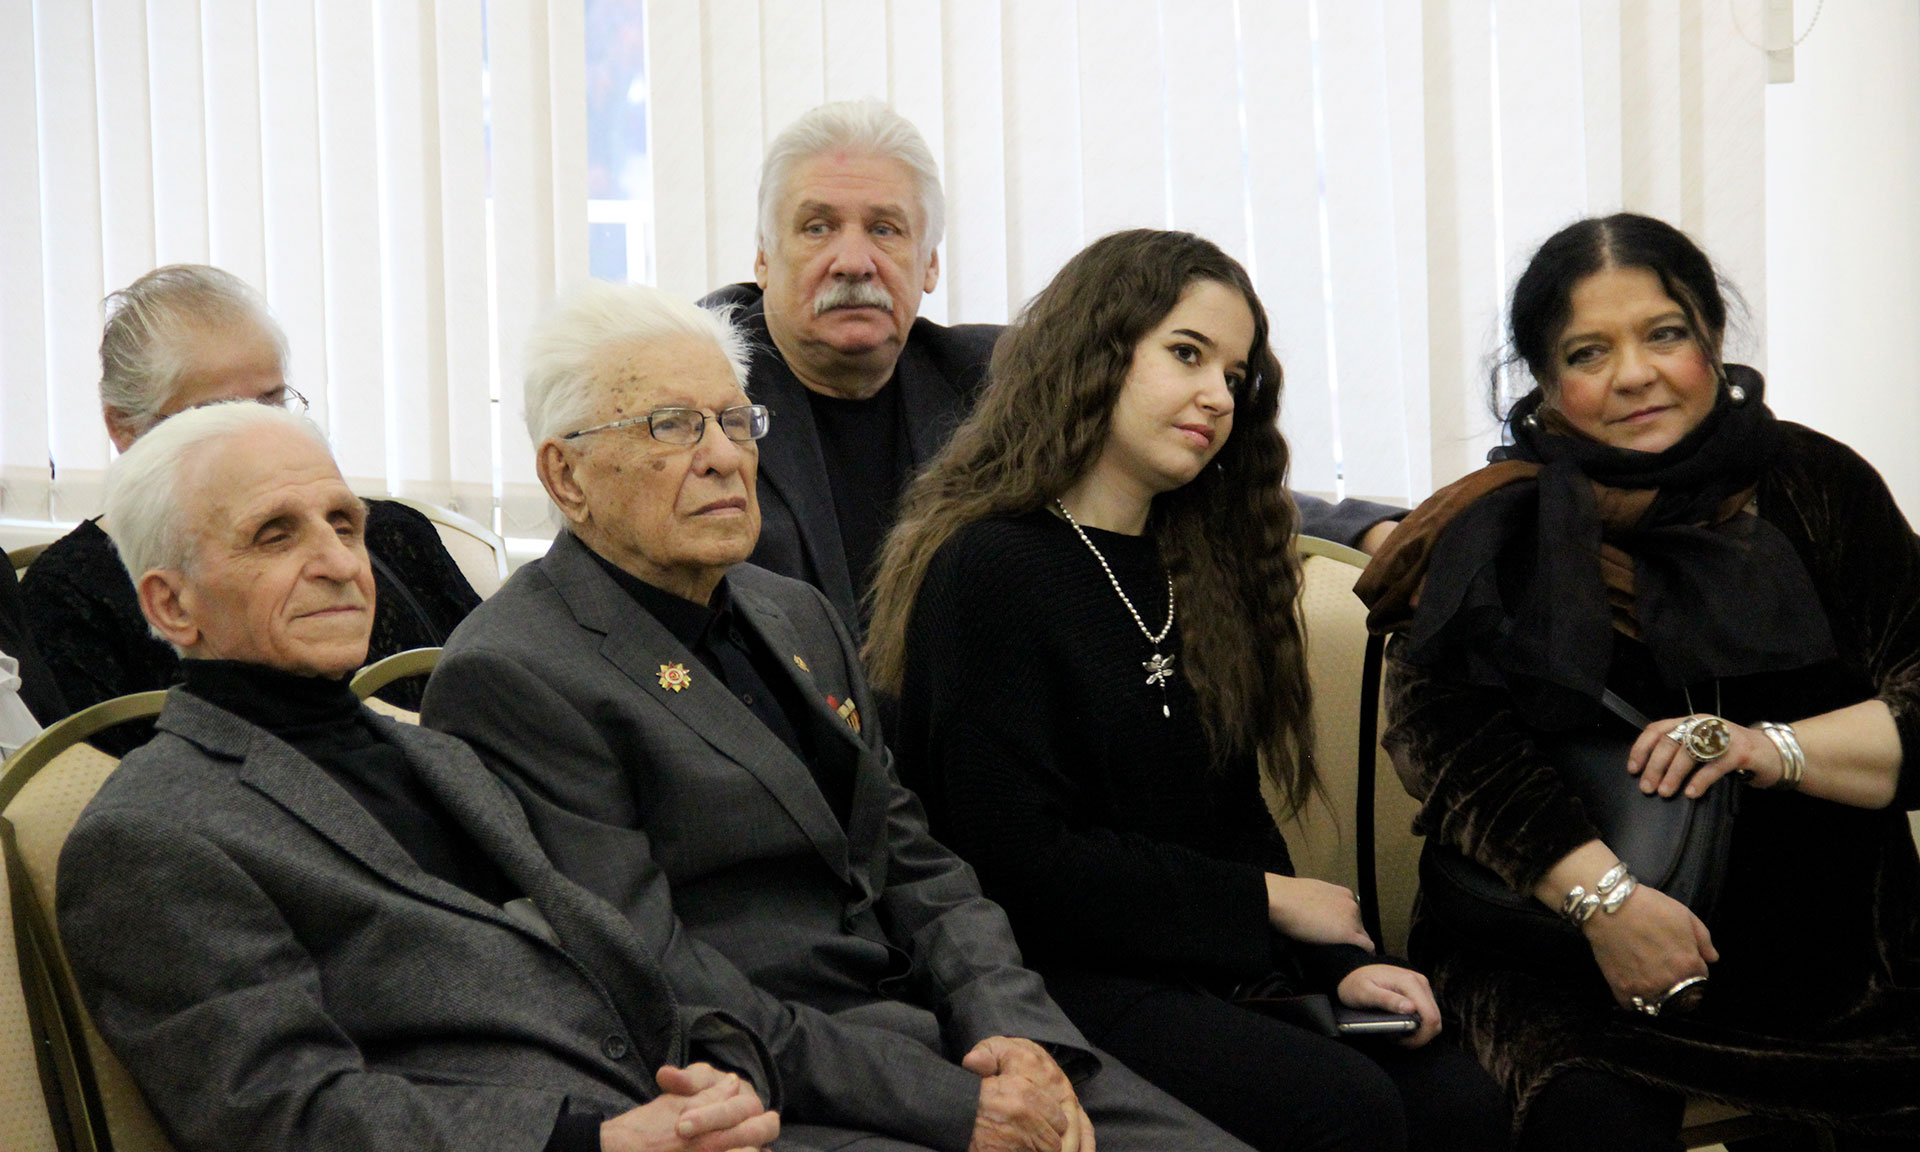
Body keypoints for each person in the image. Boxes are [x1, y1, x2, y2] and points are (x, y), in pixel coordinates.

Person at [422, 281, 1255, 1152]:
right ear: (566, 475)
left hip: (956, 1037)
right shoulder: (516, 672)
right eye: (673, 427)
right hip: (776, 1088)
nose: (724, 457)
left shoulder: (795, 613)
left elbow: (913, 859)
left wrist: (1015, 1034)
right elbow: (655, 978)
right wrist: (952, 1104)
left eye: (736, 422)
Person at [865, 229, 1511, 1152]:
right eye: (1187, 354)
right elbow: (1013, 863)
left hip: (1200, 959)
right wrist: (1265, 903)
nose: (1218, 396)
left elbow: (1229, 820)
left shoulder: (1195, 565)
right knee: (1343, 1108)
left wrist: (1332, 968)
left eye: (1235, 376)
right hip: (1051, 979)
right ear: (1095, 353)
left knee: (1461, 1098)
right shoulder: (989, 566)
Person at [57, 402, 781, 1152]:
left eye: (345, 525)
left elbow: (594, 972)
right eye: (276, 536)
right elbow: (285, 1116)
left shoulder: (435, 756)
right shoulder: (150, 835)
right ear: (172, 604)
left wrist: (719, 1073)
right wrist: (596, 1144)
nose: (341, 564)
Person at [1356, 213, 1920, 1150]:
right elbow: (1452, 755)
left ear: (1713, 338)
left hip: (1844, 977)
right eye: (1589, 351)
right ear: (1545, 379)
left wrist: (1769, 748)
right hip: (1565, 969)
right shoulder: (1496, 526)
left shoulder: (1816, 485)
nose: (1633, 374)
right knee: (1590, 1116)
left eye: (1663, 334)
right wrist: (1607, 905)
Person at [702, 100, 1401, 631]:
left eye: (886, 229)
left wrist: (1361, 529)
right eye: (818, 227)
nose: (854, 262)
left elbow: (1171, 453)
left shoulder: (987, 371)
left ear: (930, 263)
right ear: (762, 257)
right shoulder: (696, 388)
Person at [22, 264, 480, 753]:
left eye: (270, 404)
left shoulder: (393, 535)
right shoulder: (72, 598)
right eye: (214, 416)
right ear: (126, 431)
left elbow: (492, 691)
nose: (260, 435)